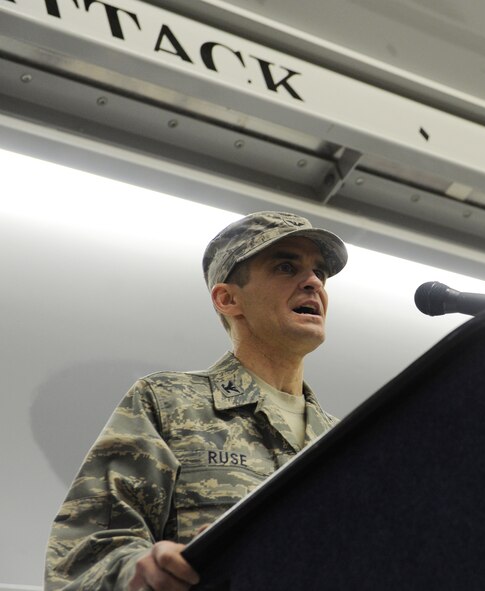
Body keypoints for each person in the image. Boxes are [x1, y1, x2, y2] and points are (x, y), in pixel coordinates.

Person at [44, 211, 349, 590]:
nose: (312, 283)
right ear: (227, 298)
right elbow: (83, 554)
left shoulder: (348, 440)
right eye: (286, 267)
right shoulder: (167, 402)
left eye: (319, 272)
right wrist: (139, 572)